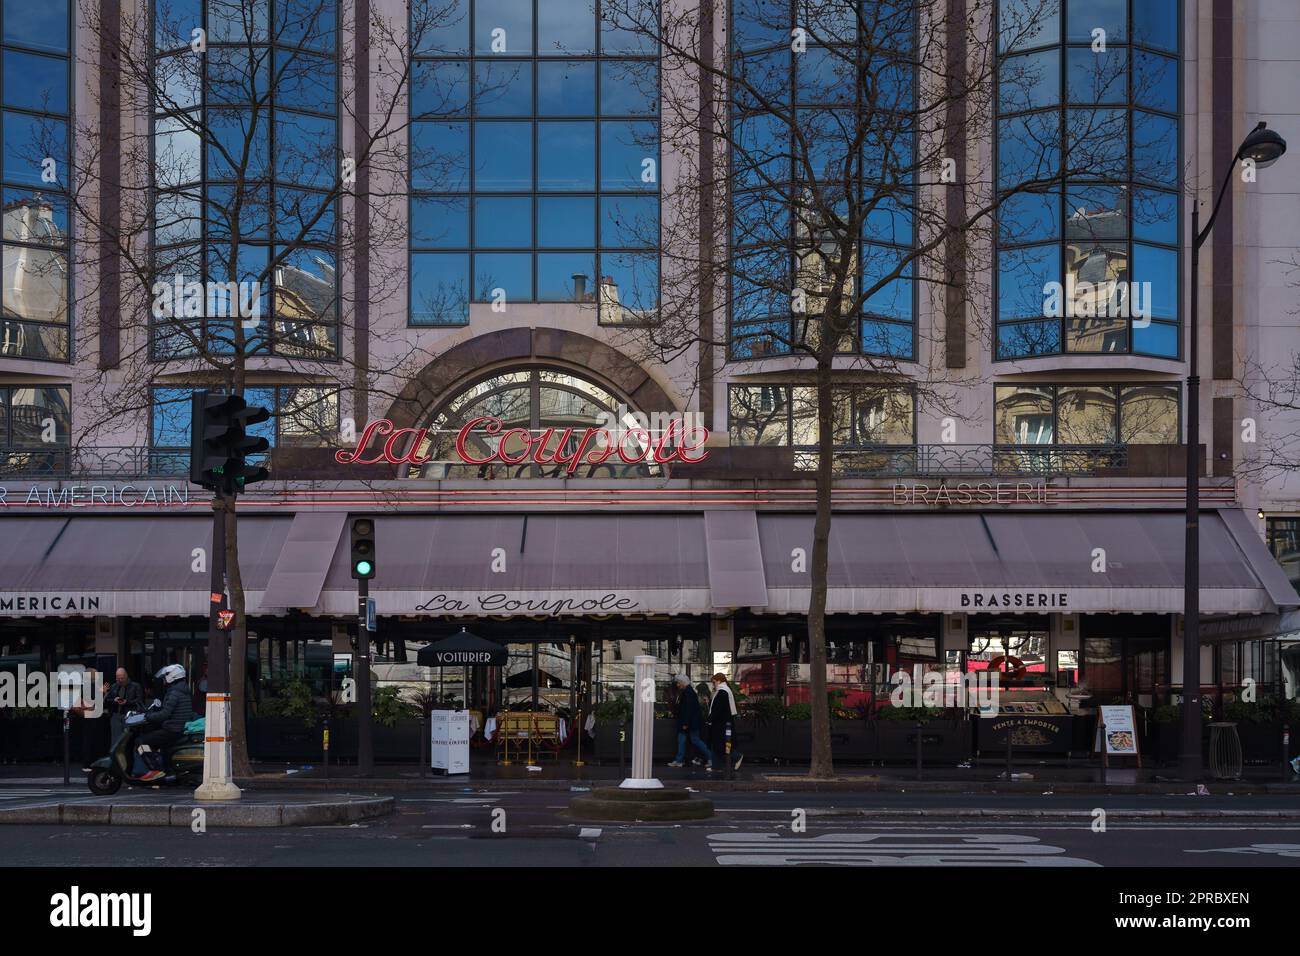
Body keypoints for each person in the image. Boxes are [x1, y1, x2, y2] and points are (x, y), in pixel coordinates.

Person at [137, 664, 196, 782]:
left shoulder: (174, 693)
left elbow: (165, 714)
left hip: (172, 729)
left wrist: (147, 716)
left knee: (141, 741)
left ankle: (156, 769)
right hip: (180, 728)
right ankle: (167, 769)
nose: (164, 680)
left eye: (165, 677)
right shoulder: (183, 690)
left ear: (172, 676)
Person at [666, 675, 712, 769]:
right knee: (689, 740)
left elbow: (688, 710)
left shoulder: (688, 693)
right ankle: (679, 760)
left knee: (690, 740)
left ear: (683, 683)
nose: (678, 685)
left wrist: (685, 723)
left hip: (688, 723)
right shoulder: (689, 692)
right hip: (691, 722)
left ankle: (711, 757)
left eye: (679, 683)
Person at [707, 672, 744, 771]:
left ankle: (736, 756)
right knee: (719, 744)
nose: (713, 684)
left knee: (720, 744)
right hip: (724, 722)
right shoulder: (724, 690)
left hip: (720, 723)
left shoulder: (722, 692)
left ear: (719, 681)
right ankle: (716, 766)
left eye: (714, 682)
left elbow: (717, 709)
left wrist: (710, 719)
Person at [106, 667, 144, 743]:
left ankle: (128, 754)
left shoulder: (135, 686)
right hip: (116, 715)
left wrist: (127, 702)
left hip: (129, 716)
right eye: (118, 678)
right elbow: (107, 700)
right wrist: (114, 700)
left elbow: (140, 701)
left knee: (128, 740)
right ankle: (116, 754)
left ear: (126, 676)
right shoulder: (114, 686)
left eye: (122, 678)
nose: (120, 680)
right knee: (115, 740)